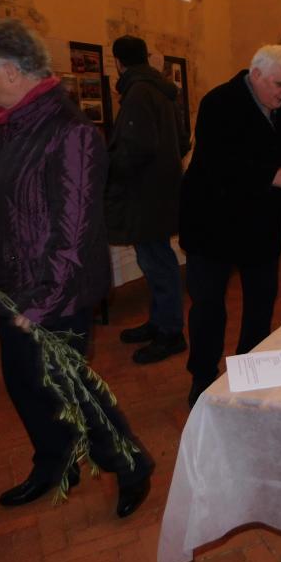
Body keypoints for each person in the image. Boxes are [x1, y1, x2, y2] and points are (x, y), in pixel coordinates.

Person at [0, 18, 151, 516]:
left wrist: (42, 304)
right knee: (24, 384)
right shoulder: (10, 126)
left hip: (54, 292)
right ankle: (54, 462)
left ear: (9, 69)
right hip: (10, 283)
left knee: (70, 389)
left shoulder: (71, 133)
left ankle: (131, 464)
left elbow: (75, 232)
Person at [180, 44, 281, 407]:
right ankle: (203, 377)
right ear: (256, 74)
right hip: (212, 220)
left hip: (260, 220)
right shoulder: (218, 103)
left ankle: (250, 370)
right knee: (208, 306)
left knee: (261, 300)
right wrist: (274, 176)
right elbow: (216, 164)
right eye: (280, 84)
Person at [106, 35, 190, 364]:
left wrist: (110, 168)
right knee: (155, 260)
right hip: (160, 190)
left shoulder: (139, 91)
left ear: (118, 62)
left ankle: (170, 333)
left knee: (158, 262)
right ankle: (159, 322)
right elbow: (181, 141)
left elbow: (135, 148)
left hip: (145, 194)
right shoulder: (159, 90)